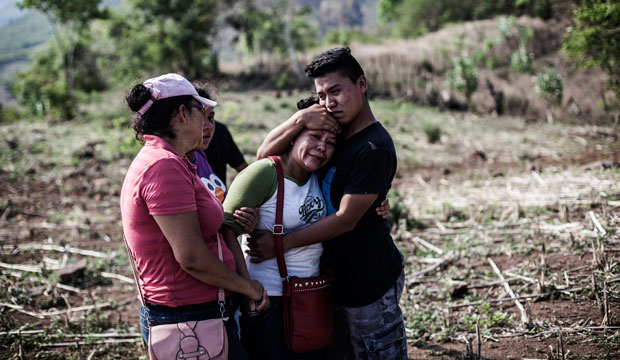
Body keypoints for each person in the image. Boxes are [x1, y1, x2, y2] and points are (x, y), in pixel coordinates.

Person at [253, 48, 407, 359]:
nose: (328, 102)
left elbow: (346, 219)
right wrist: (300, 118)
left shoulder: (373, 147)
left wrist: (278, 245)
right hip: (332, 284)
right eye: (321, 95)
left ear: (361, 84)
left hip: (368, 284)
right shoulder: (334, 136)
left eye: (336, 91)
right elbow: (263, 157)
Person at [120, 73, 267, 359]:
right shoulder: (164, 168)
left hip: (198, 314)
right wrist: (249, 288)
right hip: (188, 320)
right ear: (183, 114)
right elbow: (191, 258)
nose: (207, 121)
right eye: (202, 112)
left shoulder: (173, 161)